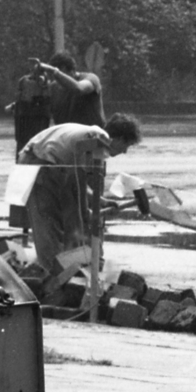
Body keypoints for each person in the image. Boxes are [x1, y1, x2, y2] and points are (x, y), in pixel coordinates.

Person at [16, 113, 141, 284]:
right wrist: (85, 214)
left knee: (67, 223)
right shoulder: (94, 140)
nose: (125, 151)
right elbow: (78, 181)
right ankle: (56, 280)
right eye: (126, 144)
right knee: (48, 224)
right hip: (37, 164)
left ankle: (67, 272)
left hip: (49, 163)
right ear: (117, 137)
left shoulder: (95, 138)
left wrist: (98, 201)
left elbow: (76, 178)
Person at [34, 51, 104, 127]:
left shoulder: (91, 78)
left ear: (65, 69)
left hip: (92, 135)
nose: (58, 81)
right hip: (66, 136)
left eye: (58, 77)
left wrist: (55, 72)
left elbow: (79, 88)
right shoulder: (53, 88)